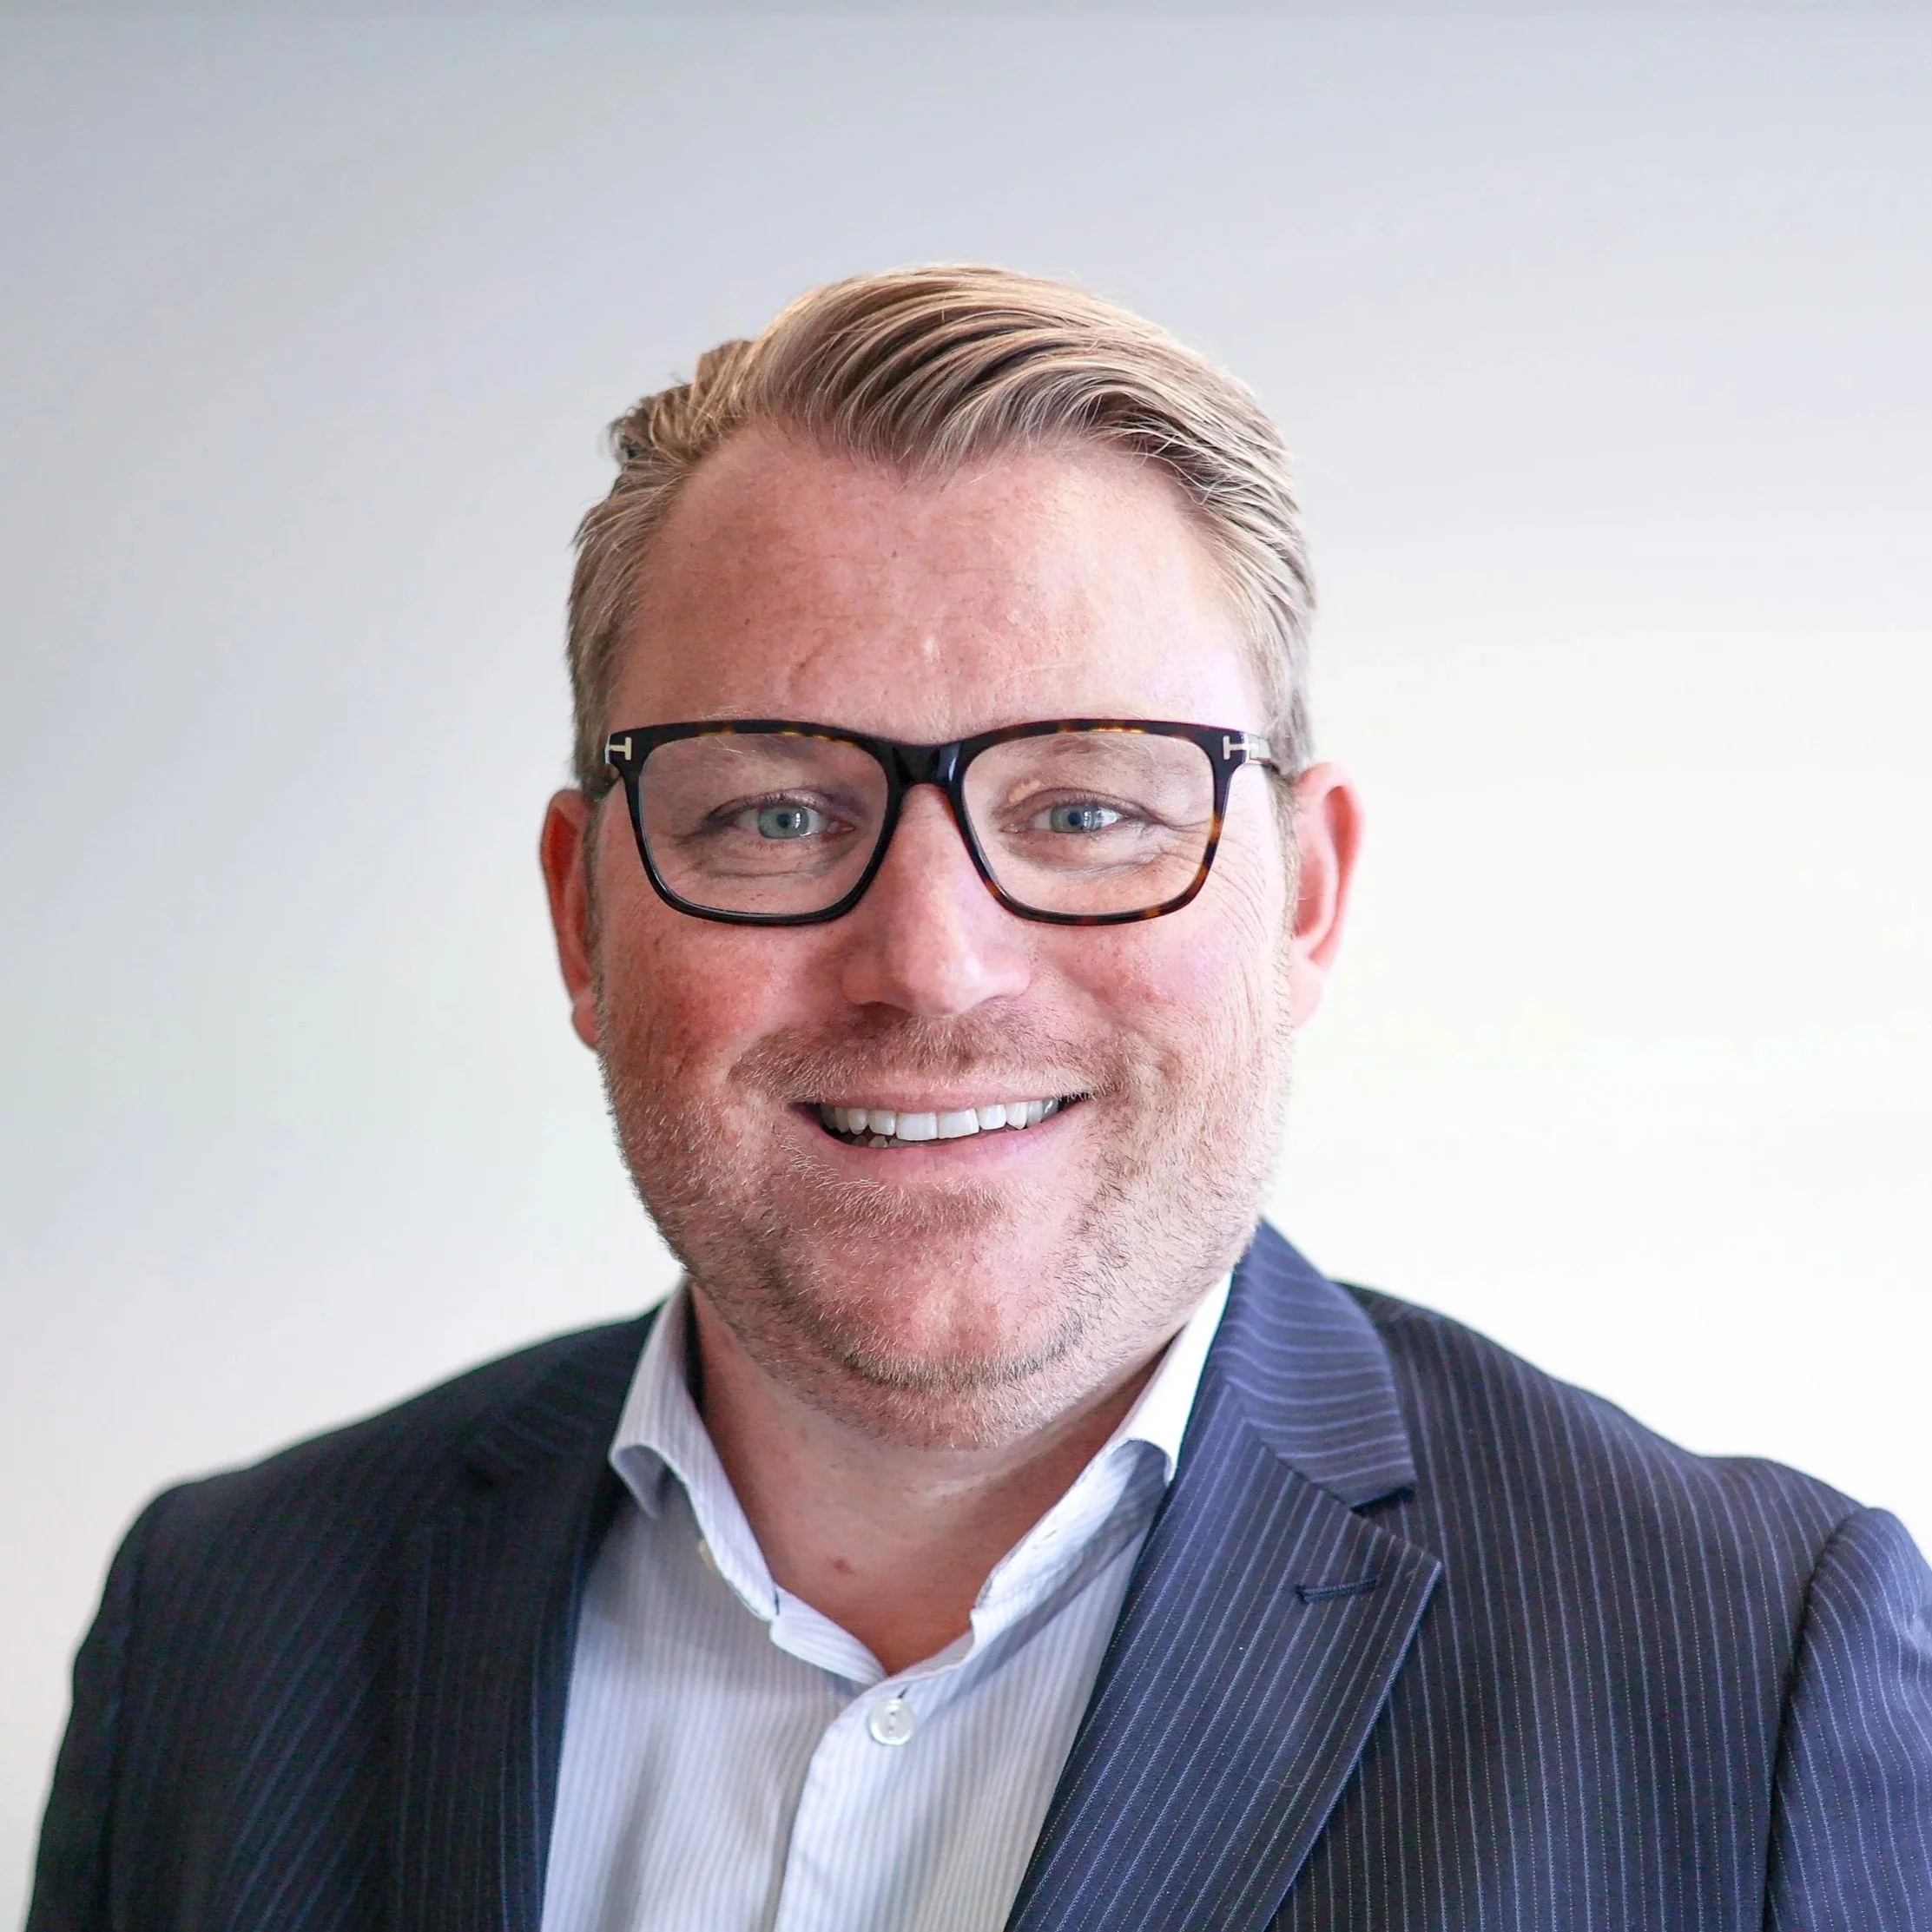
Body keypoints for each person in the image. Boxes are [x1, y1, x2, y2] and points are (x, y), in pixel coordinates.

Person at [29, 265, 1932, 1932]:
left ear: (1306, 898)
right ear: (578, 915)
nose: (931, 963)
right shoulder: (226, 1620)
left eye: (1087, 808)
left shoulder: (1745, 1674)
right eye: (776, 814)